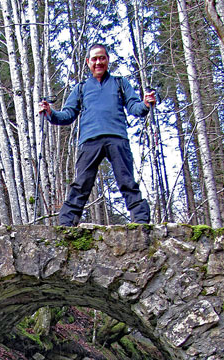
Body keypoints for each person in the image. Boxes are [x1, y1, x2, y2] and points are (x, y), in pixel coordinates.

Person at [39, 43, 156, 226]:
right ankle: (66, 224)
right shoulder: (81, 88)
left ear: (108, 60)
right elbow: (67, 115)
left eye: (102, 58)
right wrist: (50, 113)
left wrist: (146, 104)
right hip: (89, 140)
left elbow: (135, 107)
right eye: (94, 59)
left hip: (117, 138)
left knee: (126, 181)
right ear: (88, 62)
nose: (98, 62)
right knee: (82, 183)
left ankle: (141, 220)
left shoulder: (120, 83)